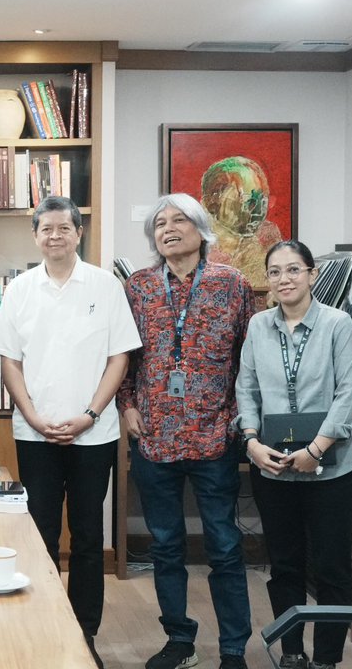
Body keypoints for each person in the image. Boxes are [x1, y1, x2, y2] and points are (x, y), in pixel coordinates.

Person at [0, 195, 141, 668]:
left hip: (93, 434)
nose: (55, 236)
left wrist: (92, 414)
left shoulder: (105, 285)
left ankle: (85, 631)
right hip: (34, 432)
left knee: (88, 533)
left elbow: (120, 357)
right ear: (35, 236)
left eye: (64, 228)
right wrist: (33, 415)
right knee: (39, 533)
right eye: (46, 229)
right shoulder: (19, 290)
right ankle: (42, 624)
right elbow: (9, 361)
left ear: (79, 233)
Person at [117, 192, 254, 669]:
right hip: (154, 436)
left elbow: (247, 361)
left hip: (214, 433)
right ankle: (179, 639)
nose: (168, 229)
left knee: (223, 544)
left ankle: (234, 647)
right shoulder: (137, 287)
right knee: (166, 545)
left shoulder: (232, 284)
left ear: (201, 229)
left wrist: (239, 416)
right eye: (159, 223)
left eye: (179, 220)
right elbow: (124, 357)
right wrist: (127, 404)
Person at [235, 240, 352, 669]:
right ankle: (292, 653)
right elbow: (246, 387)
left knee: (330, 569)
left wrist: (316, 449)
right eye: (275, 272)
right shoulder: (258, 326)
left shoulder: (337, 324)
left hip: (333, 469)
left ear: (311, 274)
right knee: (285, 567)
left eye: (293, 270)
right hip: (272, 468)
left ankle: (328, 660)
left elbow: (350, 394)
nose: (284, 279)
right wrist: (251, 442)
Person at [201, 155, 283, 290]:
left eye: (262, 201)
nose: (257, 210)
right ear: (213, 200)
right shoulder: (195, 242)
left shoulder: (268, 237)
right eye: (247, 201)